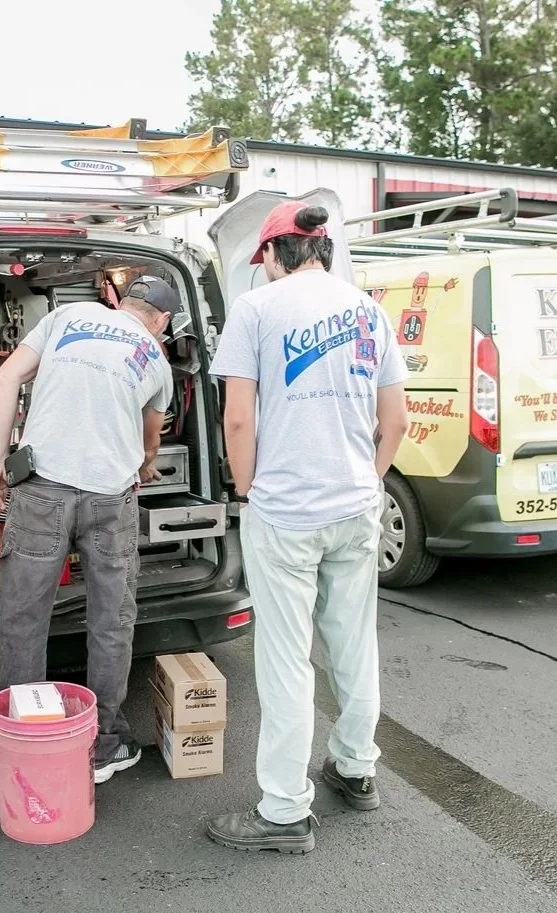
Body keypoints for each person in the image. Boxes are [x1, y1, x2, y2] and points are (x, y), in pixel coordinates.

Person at [206, 201, 409, 854]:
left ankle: (285, 811)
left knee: (286, 661)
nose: (259, 269)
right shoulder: (368, 310)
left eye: (259, 259)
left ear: (273, 252)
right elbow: (397, 422)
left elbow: (237, 420)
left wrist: (246, 488)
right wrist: (369, 479)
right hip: (355, 509)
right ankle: (354, 767)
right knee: (353, 647)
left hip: (286, 514)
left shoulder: (256, 311)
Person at [0, 276, 179, 783]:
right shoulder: (156, 361)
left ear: (120, 302)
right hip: (110, 501)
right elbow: (149, 447)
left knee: (24, 616)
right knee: (111, 620)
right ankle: (105, 745)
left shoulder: (65, 317)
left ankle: (22, 735)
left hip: (42, 488)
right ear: (161, 322)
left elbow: (5, 381)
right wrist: (144, 465)